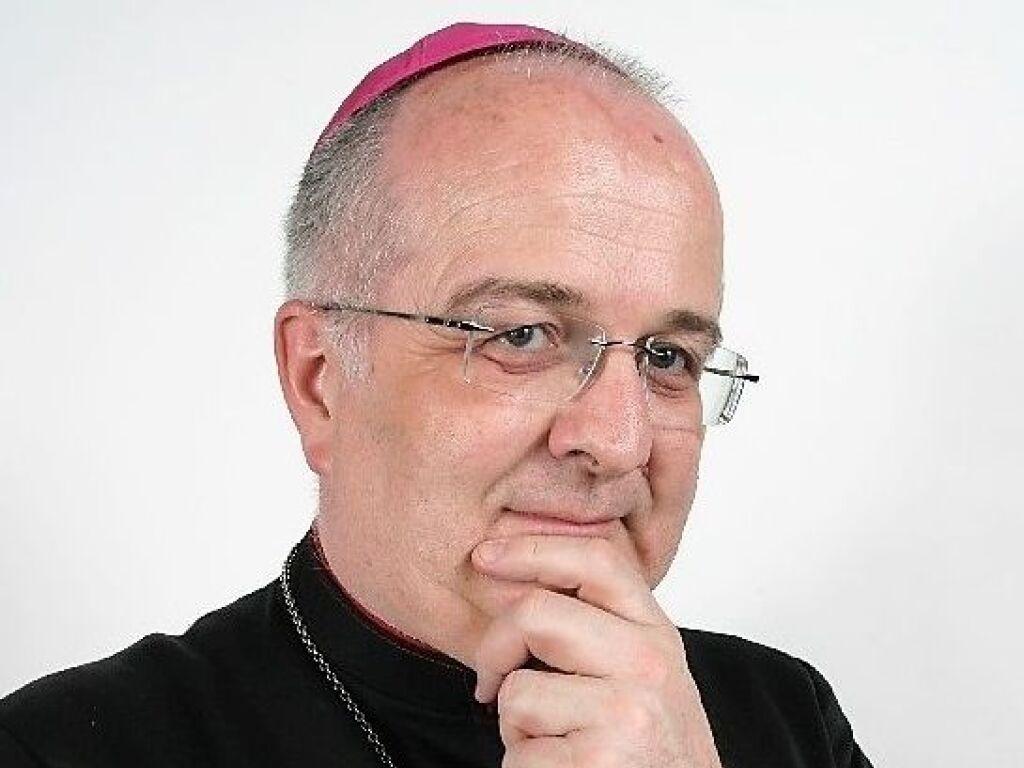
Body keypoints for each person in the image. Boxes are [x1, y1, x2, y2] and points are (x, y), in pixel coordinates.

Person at [0, 22, 873, 768]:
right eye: (521, 336)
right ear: (319, 381)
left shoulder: (781, 719)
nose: (617, 441)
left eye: (669, 357)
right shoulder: (62, 749)